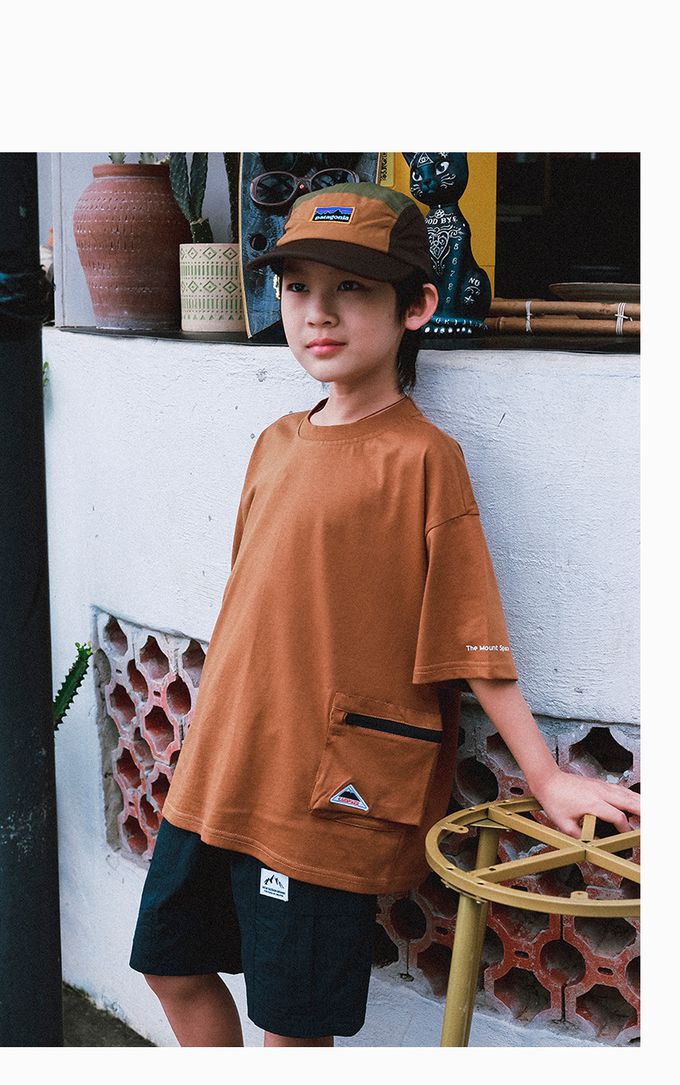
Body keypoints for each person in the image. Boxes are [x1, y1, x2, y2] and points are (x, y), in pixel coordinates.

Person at [129, 181, 640, 1048]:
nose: (318, 312)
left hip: (324, 790)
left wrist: (546, 774)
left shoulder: (424, 460)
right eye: (298, 287)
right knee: (171, 964)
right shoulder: (276, 441)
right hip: (220, 768)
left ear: (417, 306)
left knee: (291, 1025)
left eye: (352, 288)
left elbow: (472, 636)